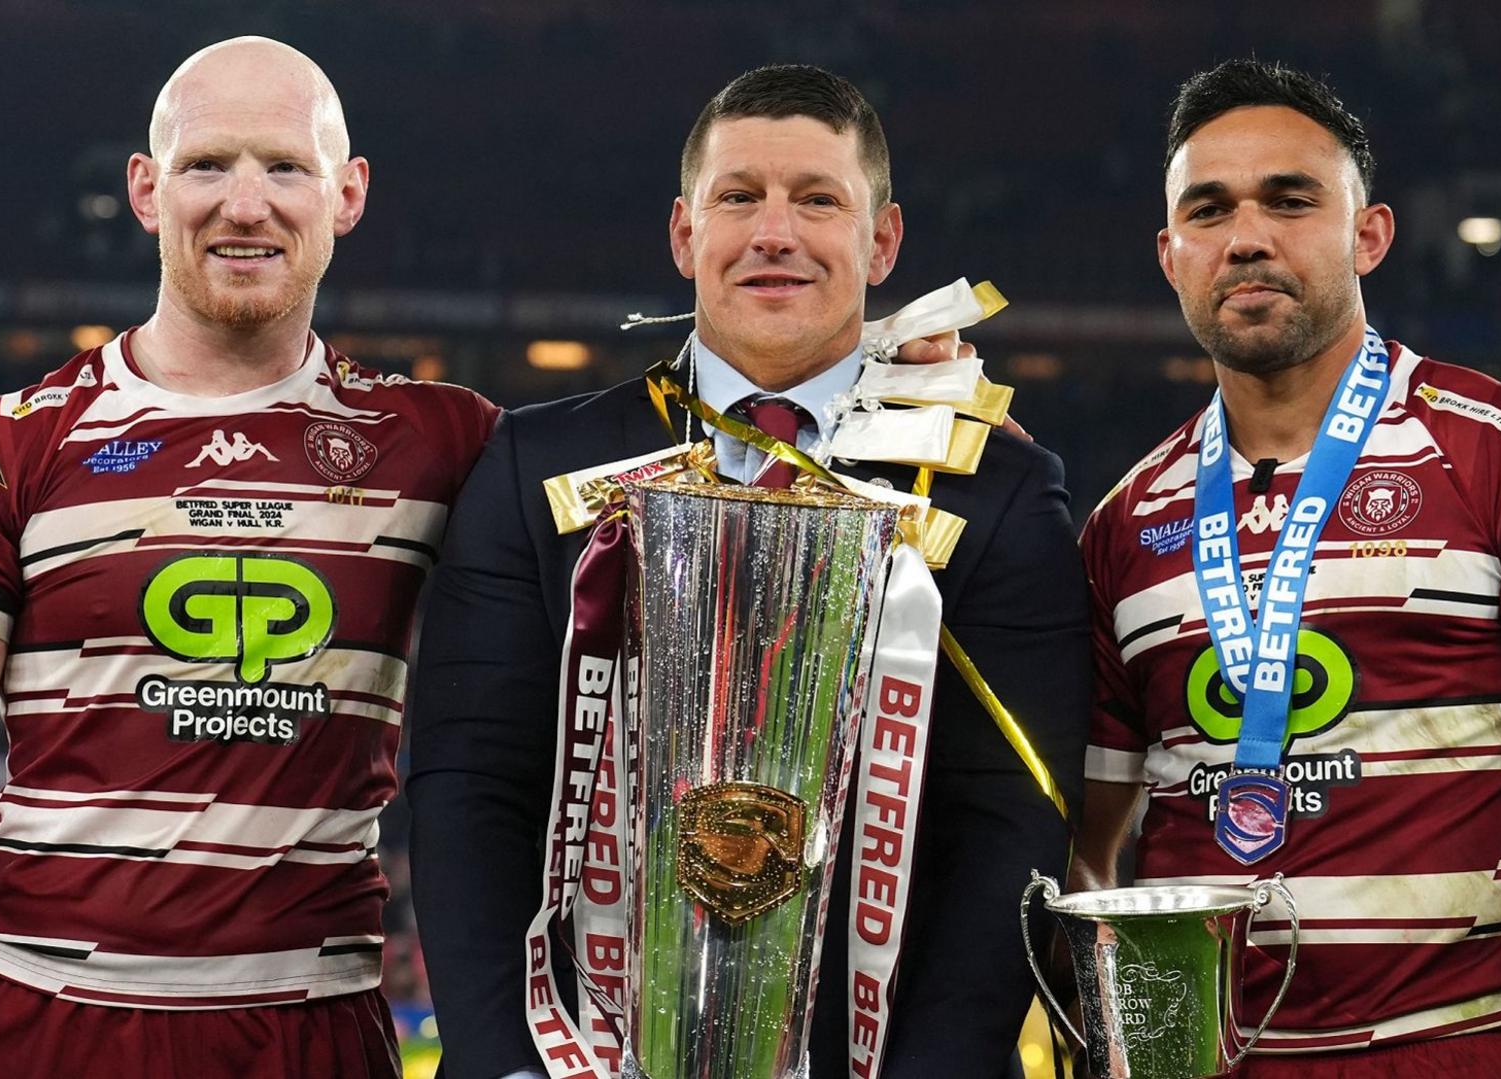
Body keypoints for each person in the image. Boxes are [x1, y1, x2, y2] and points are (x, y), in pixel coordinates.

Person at [0, 37, 500, 1078]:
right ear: (146, 189)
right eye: (206, 165)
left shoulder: (441, 442)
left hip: (311, 1026)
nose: (245, 204)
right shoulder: (8, 444)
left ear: (348, 192)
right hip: (40, 1023)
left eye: (284, 166)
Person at [410, 64, 1089, 1079]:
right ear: (686, 234)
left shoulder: (997, 485)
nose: (775, 232)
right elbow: (469, 787)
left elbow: (1010, 826)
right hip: (582, 1056)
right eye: (740, 198)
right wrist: (513, 1062)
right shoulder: (532, 467)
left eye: (818, 199)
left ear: (883, 239)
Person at [1073, 59, 1501, 1079]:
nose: (1248, 237)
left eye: (1290, 199)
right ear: (1170, 253)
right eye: (1209, 209)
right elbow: (1085, 854)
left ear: (1371, 233)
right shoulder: (1123, 521)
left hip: (1453, 1056)